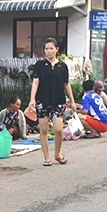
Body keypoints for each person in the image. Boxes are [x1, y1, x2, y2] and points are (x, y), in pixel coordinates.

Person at [28, 37, 77, 166]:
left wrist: (72, 101)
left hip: (58, 100)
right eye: (46, 49)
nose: (48, 51)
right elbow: (35, 82)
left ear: (57, 49)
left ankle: (57, 153)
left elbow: (66, 84)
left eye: (51, 48)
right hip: (42, 100)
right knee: (43, 130)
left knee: (58, 129)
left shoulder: (62, 66)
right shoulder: (40, 65)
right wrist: (32, 99)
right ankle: (46, 157)